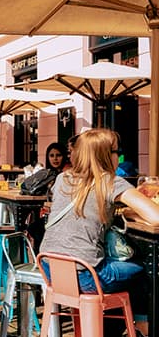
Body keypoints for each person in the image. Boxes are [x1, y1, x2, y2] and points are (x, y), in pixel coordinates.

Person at [41, 128, 159, 336]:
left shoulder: (63, 179)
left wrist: (124, 211)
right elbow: (156, 217)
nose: (120, 156)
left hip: (52, 270)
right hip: (85, 275)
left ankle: (105, 329)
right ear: (106, 155)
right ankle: (141, 328)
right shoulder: (111, 182)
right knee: (144, 271)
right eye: (117, 152)